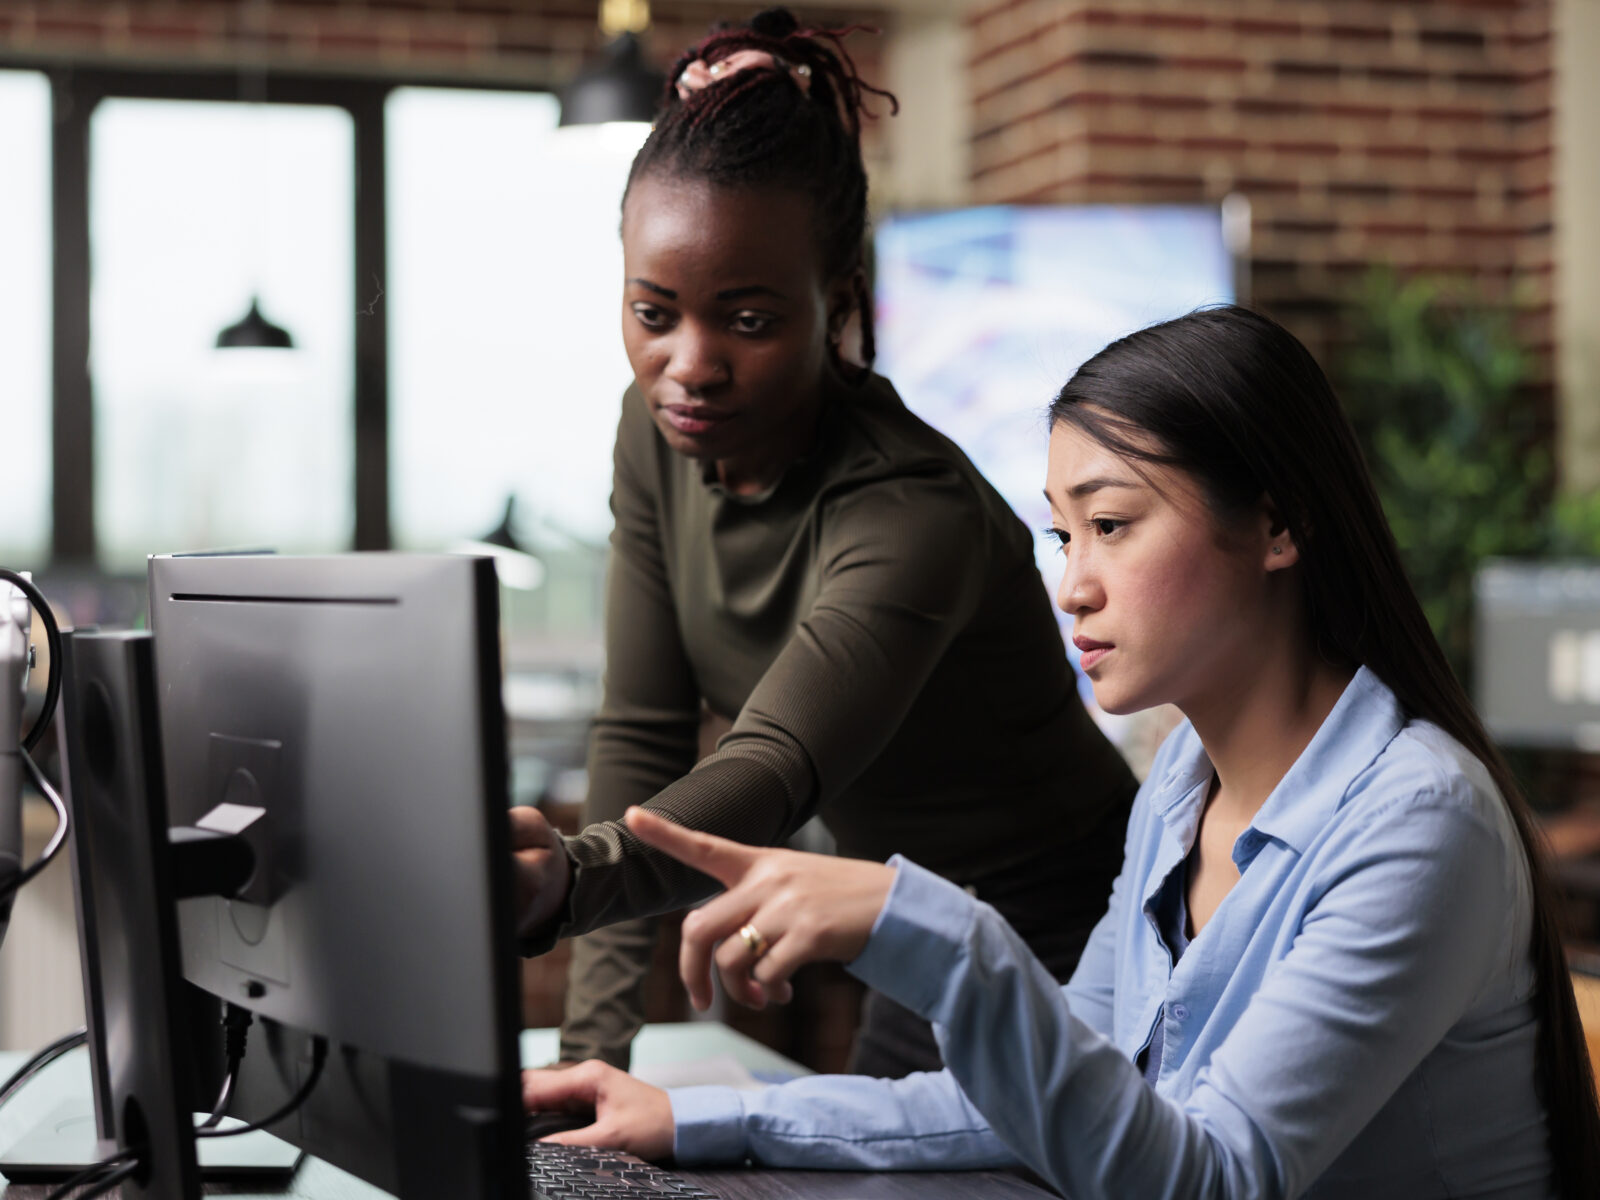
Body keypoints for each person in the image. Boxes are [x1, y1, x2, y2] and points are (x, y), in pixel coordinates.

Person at [521, 306, 1600, 1199]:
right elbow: (1029, 1103)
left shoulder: (1419, 821)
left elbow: (1208, 1182)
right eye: (1060, 533)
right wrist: (693, 1116)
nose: (1071, 585)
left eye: (1114, 524)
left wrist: (938, 934)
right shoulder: (1177, 794)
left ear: (1277, 527)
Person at [508, 7, 1138, 1078]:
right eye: (653, 313)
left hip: (1074, 938)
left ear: (836, 302)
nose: (688, 365)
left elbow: (772, 766)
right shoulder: (654, 431)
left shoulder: (910, 507)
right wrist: (591, 1054)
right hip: (907, 924)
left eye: (746, 320)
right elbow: (645, 728)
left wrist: (569, 878)